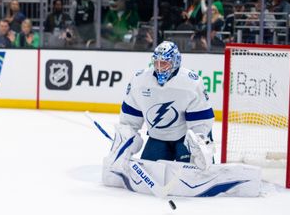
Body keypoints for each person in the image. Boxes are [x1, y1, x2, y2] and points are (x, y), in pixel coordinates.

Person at [101, 41, 262, 198]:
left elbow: (201, 123)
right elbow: (130, 120)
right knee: (150, 170)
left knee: (199, 171)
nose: (159, 68)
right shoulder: (140, 81)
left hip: (184, 139)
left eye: (164, 63)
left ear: (175, 63)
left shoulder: (190, 83)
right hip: (158, 137)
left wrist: (200, 148)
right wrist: (124, 144)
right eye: (156, 63)